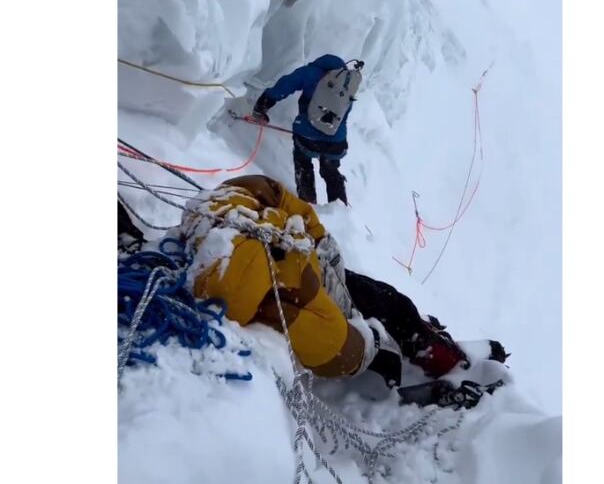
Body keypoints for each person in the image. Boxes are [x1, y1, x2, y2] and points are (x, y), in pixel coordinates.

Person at [118, 175, 508, 405]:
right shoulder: (251, 266)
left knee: (390, 303)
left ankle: (440, 352)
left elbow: (275, 202)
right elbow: (333, 345)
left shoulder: (242, 237)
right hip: (320, 290)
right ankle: (436, 362)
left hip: (316, 276)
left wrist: (311, 244)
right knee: (385, 324)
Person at [251, 54, 363, 205]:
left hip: (307, 137)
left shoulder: (311, 73)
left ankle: (308, 204)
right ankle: (340, 210)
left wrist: (262, 105)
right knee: (330, 171)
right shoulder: (345, 86)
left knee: (303, 164)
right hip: (336, 142)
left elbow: (284, 85)